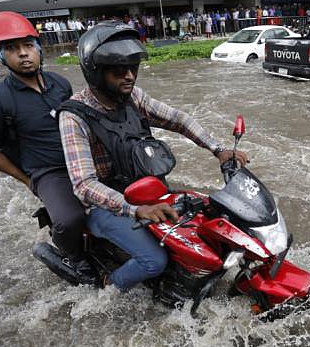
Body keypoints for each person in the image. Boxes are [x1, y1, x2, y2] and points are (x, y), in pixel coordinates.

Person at [57, 21, 248, 291]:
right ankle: (107, 284)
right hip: (107, 206)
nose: (129, 76)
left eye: (133, 68)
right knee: (153, 260)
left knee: (210, 217)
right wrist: (134, 210)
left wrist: (217, 149)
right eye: (119, 70)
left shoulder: (133, 97)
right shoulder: (74, 117)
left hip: (150, 192)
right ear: (96, 72)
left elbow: (178, 120)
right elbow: (84, 184)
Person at [0, 11, 95, 283]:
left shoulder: (60, 83)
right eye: (12, 49)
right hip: (47, 171)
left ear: (39, 48)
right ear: (0, 56)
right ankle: (73, 257)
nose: (23, 54)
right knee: (68, 220)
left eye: (28, 45)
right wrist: (28, 180)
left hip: (82, 159)